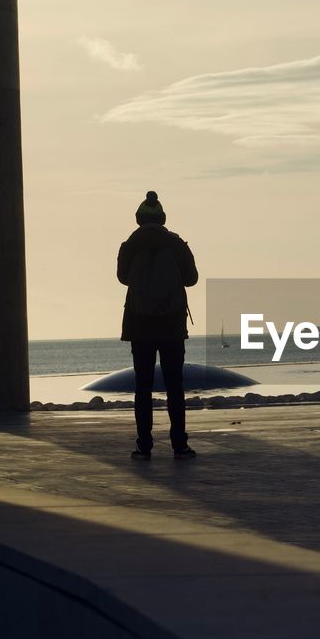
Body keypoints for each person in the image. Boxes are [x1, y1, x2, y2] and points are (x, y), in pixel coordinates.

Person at [117, 191, 199, 460]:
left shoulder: (129, 245)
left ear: (139, 218)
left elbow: (122, 278)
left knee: (143, 386)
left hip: (140, 325)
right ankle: (179, 445)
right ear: (163, 218)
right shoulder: (176, 244)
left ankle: (144, 445)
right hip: (171, 325)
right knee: (175, 386)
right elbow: (191, 279)